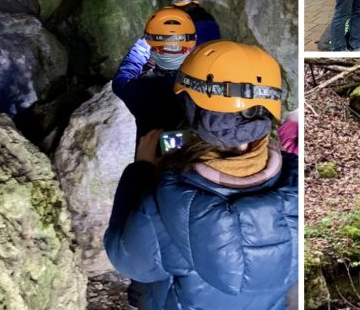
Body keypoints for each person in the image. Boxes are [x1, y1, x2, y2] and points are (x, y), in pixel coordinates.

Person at [104, 41, 297, 310]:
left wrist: (141, 171)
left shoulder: (167, 200)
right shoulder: (297, 180)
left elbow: (126, 257)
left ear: (190, 107)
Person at [112, 7, 197, 138]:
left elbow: (122, 77)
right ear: (191, 46)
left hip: (149, 156)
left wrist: (142, 45)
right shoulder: (201, 86)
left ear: (150, 46)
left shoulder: (138, 90)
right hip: (194, 154)